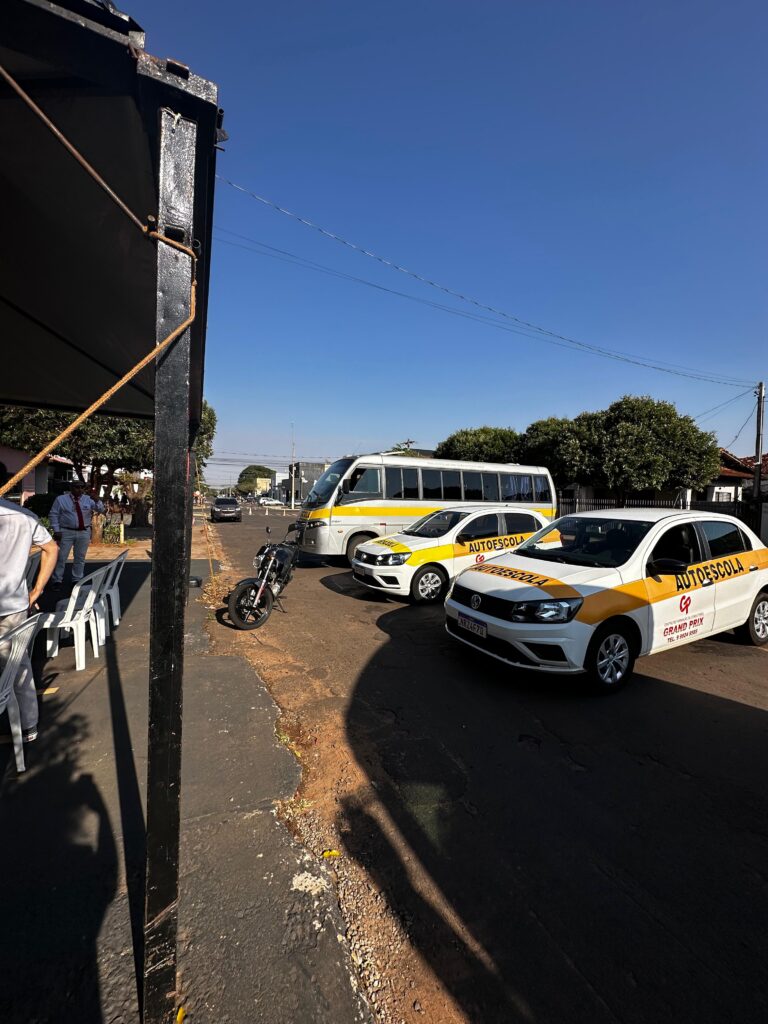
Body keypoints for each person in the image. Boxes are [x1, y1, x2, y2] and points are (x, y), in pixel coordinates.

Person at [0, 481, 59, 743]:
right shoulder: (23, 516)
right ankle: (29, 725)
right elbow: (51, 548)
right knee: (18, 664)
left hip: (12, 606)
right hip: (15, 604)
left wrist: (36, 591)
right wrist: (36, 590)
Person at [49, 481, 104, 587]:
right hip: (66, 531)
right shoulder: (61, 499)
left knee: (80, 557)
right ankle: (57, 580)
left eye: (82, 487)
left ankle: (77, 579)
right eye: (77, 487)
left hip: (84, 531)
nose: (79, 489)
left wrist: (97, 500)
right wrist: (56, 530)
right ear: (71, 487)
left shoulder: (88, 499)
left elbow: (101, 509)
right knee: (61, 557)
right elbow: (54, 514)